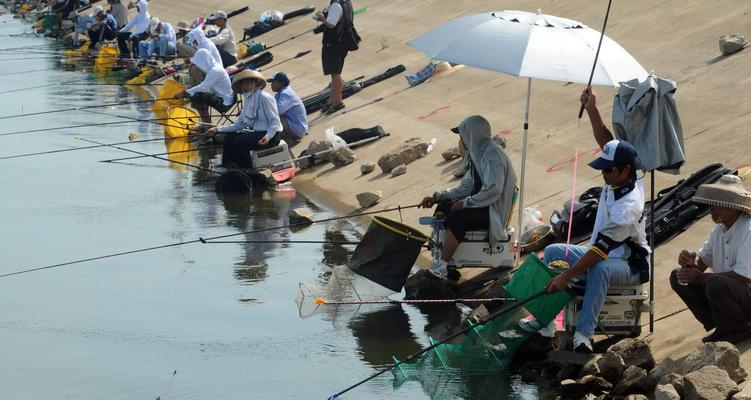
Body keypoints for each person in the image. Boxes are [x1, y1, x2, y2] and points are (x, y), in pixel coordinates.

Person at [521, 88, 651, 353]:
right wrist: (592, 107)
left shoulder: (628, 206)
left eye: (608, 169)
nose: (603, 173)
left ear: (625, 171)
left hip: (629, 264)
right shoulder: (625, 172)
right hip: (603, 254)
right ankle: (545, 322)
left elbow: (599, 252)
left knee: (599, 269)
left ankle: (584, 334)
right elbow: (608, 143)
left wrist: (565, 276)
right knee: (553, 250)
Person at [419, 115, 517, 280]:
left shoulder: (492, 153)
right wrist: (437, 197)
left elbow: (494, 190)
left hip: (493, 210)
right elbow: (465, 187)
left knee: (458, 217)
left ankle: (442, 266)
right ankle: (446, 260)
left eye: (463, 135)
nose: (461, 140)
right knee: (444, 207)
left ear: (473, 134)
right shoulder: (478, 155)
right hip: (482, 205)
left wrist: (466, 203)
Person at [670, 174, 751, 345]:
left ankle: (741, 326)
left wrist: (702, 277)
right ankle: (723, 326)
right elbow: (702, 262)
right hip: (732, 292)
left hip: (746, 293)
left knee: (714, 282)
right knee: (678, 276)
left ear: (729, 207)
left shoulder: (748, 229)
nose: (710, 211)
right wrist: (689, 264)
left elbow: (745, 275)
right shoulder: (719, 230)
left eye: (714, 206)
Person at [204, 69, 283, 168]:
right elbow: (239, 125)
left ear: (255, 83)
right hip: (258, 133)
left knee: (240, 141)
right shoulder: (248, 100)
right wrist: (217, 129)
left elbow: (274, 121)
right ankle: (229, 166)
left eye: (248, 83)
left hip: (272, 135)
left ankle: (246, 169)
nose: (245, 87)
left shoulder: (265, 98)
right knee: (229, 137)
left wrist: (267, 137)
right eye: (243, 84)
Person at [313, 0, 360, 114]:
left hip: (334, 43)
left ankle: (337, 102)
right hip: (343, 41)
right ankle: (332, 99)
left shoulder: (335, 5)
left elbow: (331, 24)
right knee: (336, 73)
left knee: (335, 73)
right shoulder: (346, 2)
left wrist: (321, 18)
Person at [175, 48, 234, 124]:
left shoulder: (215, 70)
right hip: (221, 96)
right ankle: (206, 123)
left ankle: (207, 125)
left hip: (225, 102)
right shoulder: (212, 68)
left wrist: (184, 93)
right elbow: (204, 86)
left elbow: (203, 87)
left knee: (198, 96)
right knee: (197, 94)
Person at [266, 71, 308, 144]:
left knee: (276, 118)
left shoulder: (286, 93)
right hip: (295, 126)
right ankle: (284, 136)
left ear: (281, 83)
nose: (271, 85)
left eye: (273, 82)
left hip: (299, 129)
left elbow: (278, 110)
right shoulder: (280, 93)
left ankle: (286, 138)